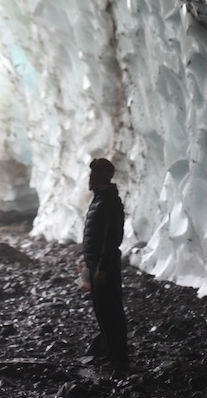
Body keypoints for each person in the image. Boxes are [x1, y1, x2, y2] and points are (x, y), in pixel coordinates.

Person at [81, 157, 128, 373]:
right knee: (101, 311)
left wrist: (101, 267)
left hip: (104, 265)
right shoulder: (100, 199)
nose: (89, 178)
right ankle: (111, 355)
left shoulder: (110, 202)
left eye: (93, 174)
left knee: (111, 311)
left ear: (100, 177)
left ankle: (120, 361)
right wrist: (87, 262)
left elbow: (111, 238)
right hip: (94, 262)